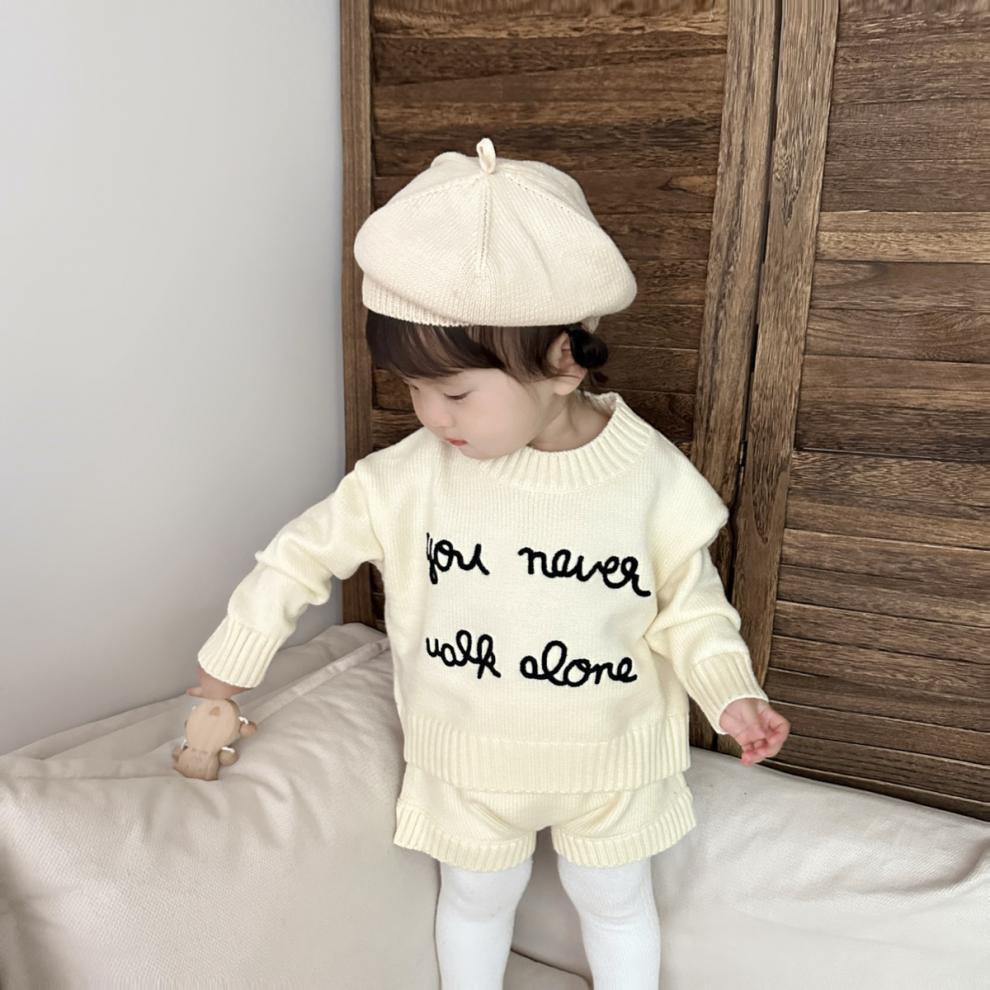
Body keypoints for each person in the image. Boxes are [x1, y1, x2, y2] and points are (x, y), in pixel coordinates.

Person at [188, 137, 791, 989]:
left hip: (613, 763)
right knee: (475, 901)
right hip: (465, 760)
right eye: (413, 390)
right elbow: (300, 555)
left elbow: (688, 606)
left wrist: (731, 693)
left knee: (618, 903)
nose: (431, 416)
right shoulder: (407, 479)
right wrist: (228, 667)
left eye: (456, 392)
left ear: (560, 363)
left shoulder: (648, 478)